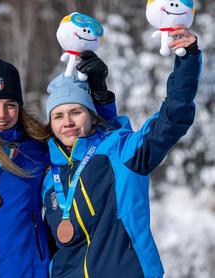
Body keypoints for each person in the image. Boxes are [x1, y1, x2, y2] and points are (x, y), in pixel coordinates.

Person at [0, 56, 116, 278]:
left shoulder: (37, 148)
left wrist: (101, 97)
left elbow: (96, 143)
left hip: (27, 271)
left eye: (10, 105)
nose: (2, 115)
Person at [41, 26, 201, 278]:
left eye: (76, 112)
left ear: (92, 116)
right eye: (58, 115)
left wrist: (187, 58)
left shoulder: (122, 153)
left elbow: (174, 118)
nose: (67, 122)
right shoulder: (49, 175)